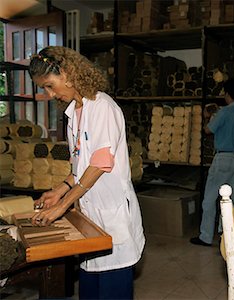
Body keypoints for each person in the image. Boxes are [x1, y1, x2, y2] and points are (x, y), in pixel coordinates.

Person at [29, 46, 145, 299]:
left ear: (68, 73)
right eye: (44, 89)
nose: (50, 94)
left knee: (112, 289)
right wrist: (58, 191)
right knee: (90, 290)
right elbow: (81, 166)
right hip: (91, 215)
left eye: (50, 85)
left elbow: (100, 163)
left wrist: (63, 206)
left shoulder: (102, 107)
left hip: (112, 212)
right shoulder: (74, 113)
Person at [190, 78, 234, 246]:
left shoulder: (225, 112)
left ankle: (205, 236)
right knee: (233, 199)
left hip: (223, 157)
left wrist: (209, 116)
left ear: (227, 94)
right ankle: (228, 235)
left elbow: (208, 130)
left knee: (209, 198)